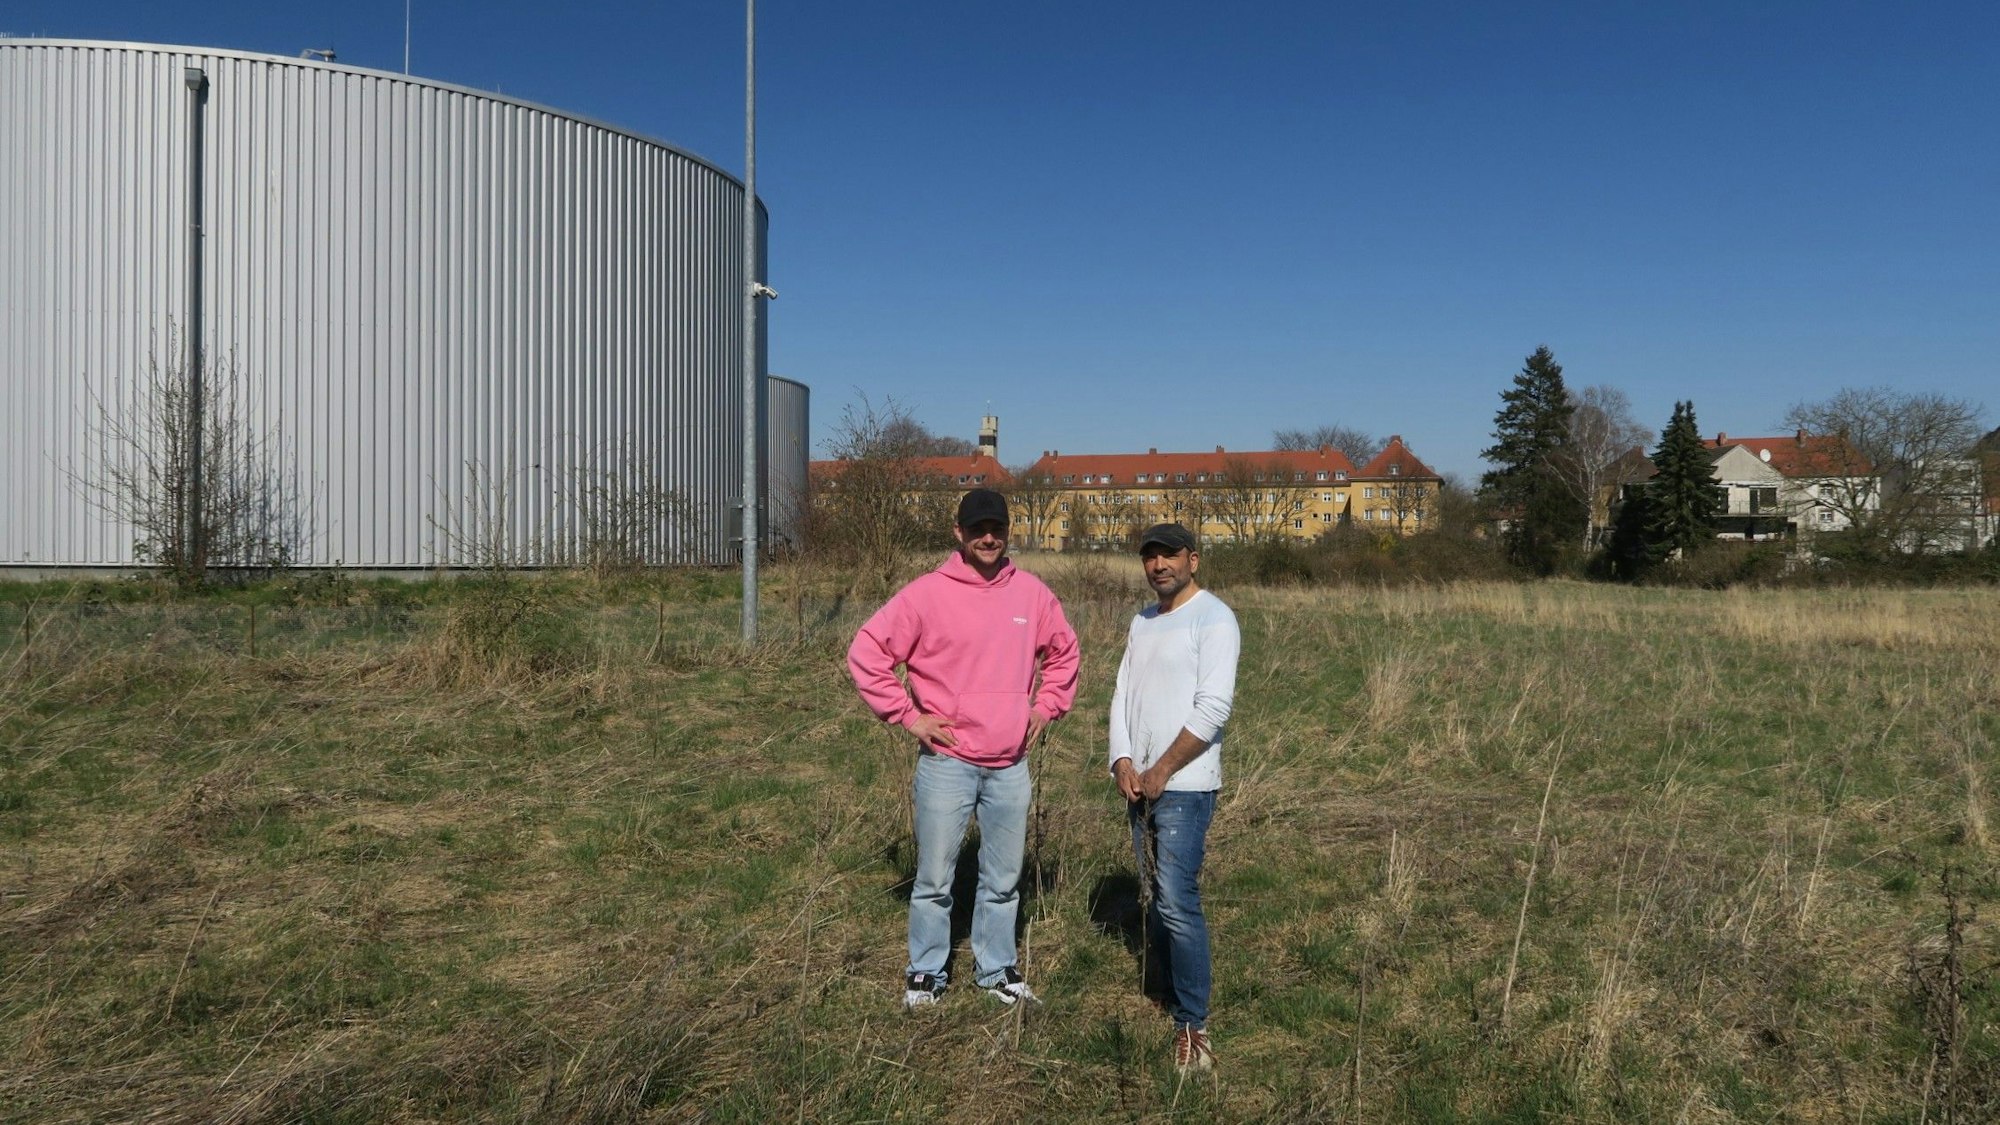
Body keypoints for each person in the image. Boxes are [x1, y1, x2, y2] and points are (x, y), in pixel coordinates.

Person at [848, 488, 1080, 1011]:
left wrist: (1045, 707)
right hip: (946, 764)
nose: (988, 537)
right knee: (934, 878)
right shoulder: (925, 595)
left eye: (996, 528)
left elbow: (1064, 655)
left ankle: (996, 968)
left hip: (1009, 765)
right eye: (977, 529)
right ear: (959, 534)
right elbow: (867, 652)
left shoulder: (1034, 596)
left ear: (1007, 531)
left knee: (1003, 879)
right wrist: (909, 716)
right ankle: (926, 972)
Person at [1108, 522, 1239, 1071]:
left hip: (1184, 786)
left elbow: (1213, 708)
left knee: (1178, 903)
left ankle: (1193, 1025)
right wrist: (1120, 760)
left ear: (1194, 560)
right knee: (1156, 897)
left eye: (1170, 556)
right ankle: (1164, 990)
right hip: (1142, 784)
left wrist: (1162, 768)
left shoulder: (1215, 618)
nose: (1159, 565)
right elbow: (1123, 692)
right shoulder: (1143, 621)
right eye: (1150, 557)